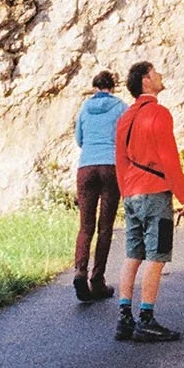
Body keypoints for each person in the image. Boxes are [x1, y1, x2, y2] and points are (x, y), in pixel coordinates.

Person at [112, 60, 184, 342]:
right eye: (155, 73)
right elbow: (169, 158)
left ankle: (125, 317)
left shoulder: (125, 118)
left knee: (133, 255)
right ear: (146, 81)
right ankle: (146, 319)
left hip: (131, 193)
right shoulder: (159, 113)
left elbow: (120, 161)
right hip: (155, 192)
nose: (160, 75)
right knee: (156, 257)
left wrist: (126, 192)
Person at [72, 69, 126, 303]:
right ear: (112, 87)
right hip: (111, 166)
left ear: (95, 87)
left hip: (86, 167)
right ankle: (97, 280)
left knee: (86, 226)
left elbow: (79, 139)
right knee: (105, 227)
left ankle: (79, 271)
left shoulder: (84, 108)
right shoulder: (121, 107)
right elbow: (125, 138)